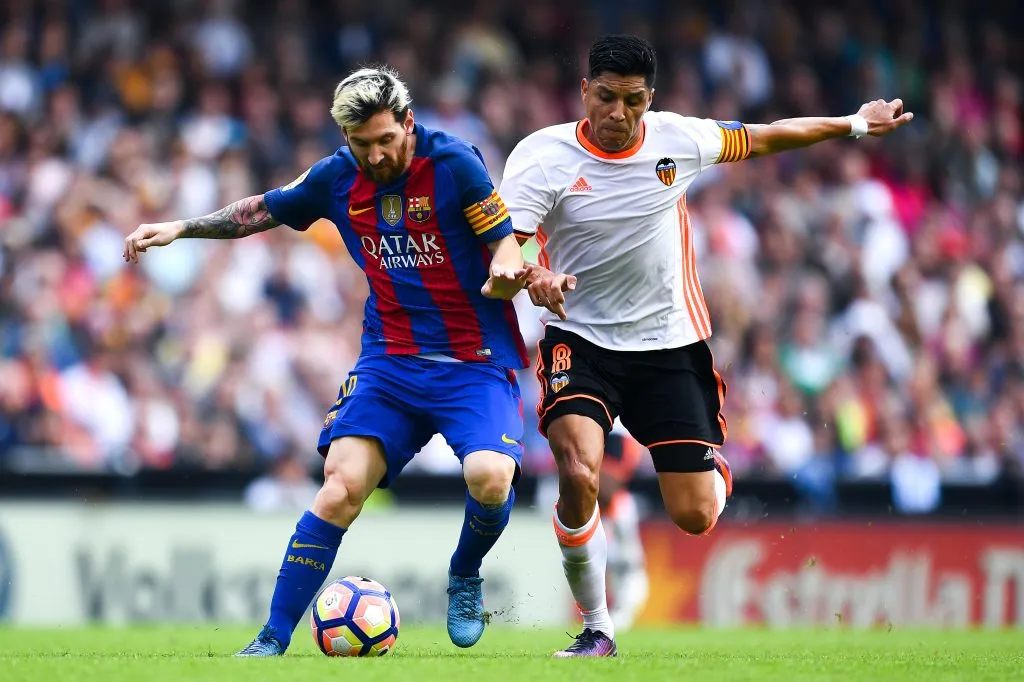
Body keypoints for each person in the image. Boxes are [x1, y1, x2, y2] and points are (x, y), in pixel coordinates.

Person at [499, 34, 913, 657]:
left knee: (694, 516)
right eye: (606, 97)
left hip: (669, 344)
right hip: (579, 338)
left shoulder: (678, 139)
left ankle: (712, 470)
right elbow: (508, 249)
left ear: (650, 99)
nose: (618, 113)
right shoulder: (542, 157)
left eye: (633, 101)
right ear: (584, 92)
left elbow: (768, 136)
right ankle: (597, 628)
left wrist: (856, 123)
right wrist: (536, 276)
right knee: (579, 471)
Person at [123, 66, 531, 655]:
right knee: (340, 486)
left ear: (408, 123)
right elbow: (261, 210)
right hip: (391, 362)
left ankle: (464, 573)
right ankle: (272, 637)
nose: (376, 155)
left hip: (473, 361)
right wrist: (181, 228)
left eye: (385, 140)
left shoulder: (454, 163)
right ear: (345, 137)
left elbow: (504, 242)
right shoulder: (336, 177)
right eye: (362, 144)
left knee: (490, 478)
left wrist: (506, 267)